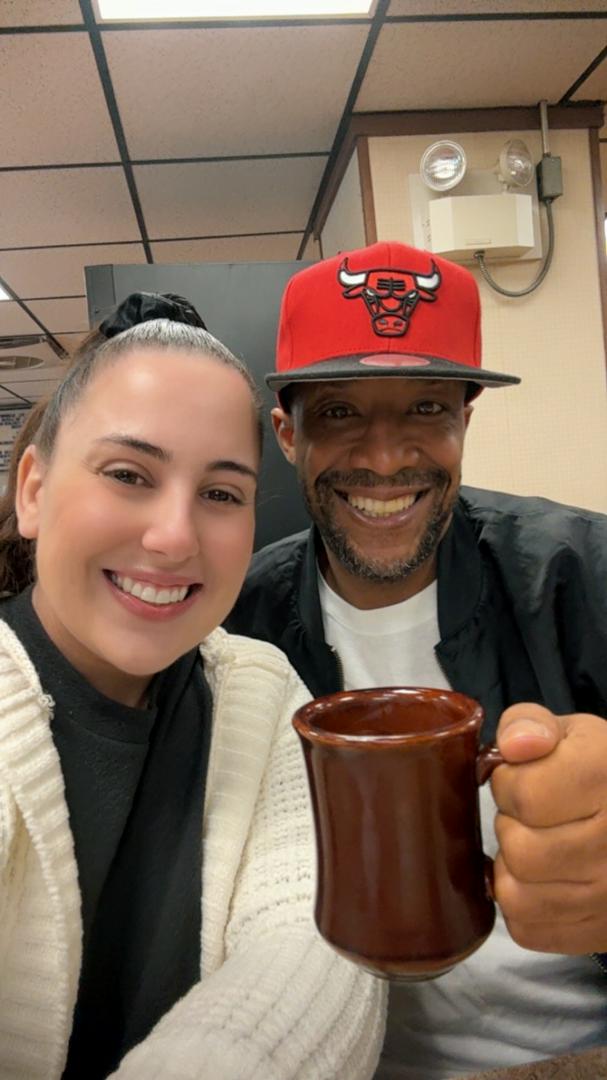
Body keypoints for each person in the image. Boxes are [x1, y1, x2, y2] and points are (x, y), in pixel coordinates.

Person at [226, 241, 607, 1078]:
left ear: (465, 420)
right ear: (287, 432)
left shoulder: (579, 575)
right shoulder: (235, 625)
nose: (385, 458)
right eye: (339, 413)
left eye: (426, 408)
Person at [0, 294, 385, 1080]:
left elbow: (316, 939)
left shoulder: (261, 691)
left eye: (220, 494)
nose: (174, 537)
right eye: (127, 474)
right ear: (33, 489)